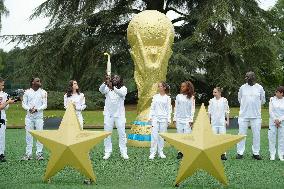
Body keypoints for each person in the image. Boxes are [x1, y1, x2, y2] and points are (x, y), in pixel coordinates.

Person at [236, 71, 265, 160]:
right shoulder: (242, 88)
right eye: (246, 77)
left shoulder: (259, 88)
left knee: (256, 134)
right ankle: (240, 153)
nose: (246, 79)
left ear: (253, 77)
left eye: (248, 77)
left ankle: (256, 153)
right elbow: (239, 99)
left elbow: (263, 100)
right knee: (241, 134)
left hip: (256, 116)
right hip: (243, 115)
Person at [99, 75, 129, 160]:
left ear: (120, 80)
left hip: (120, 115)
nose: (115, 79)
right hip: (108, 115)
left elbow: (121, 93)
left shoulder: (123, 88)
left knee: (122, 134)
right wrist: (105, 82)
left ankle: (123, 152)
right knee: (107, 133)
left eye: (117, 78)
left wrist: (113, 88)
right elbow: (100, 90)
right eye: (114, 78)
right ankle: (107, 151)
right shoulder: (107, 88)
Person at [21, 77, 47, 161]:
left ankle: (39, 154)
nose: (39, 82)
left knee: (39, 135)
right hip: (29, 117)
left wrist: (37, 109)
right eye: (37, 81)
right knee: (29, 135)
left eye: (40, 81)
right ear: (32, 82)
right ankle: (28, 154)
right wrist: (29, 109)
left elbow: (45, 105)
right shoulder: (27, 92)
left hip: (39, 117)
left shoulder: (43, 92)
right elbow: (24, 104)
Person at [149, 81, 172, 160]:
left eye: (160, 86)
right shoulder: (155, 97)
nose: (159, 88)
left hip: (164, 119)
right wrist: (150, 117)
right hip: (155, 118)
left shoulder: (167, 98)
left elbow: (169, 109)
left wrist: (168, 119)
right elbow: (152, 107)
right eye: (158, 86)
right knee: (154, 136)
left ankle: (160, 152)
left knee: (161, 136)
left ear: (164, 88)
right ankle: (152, 153)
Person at [173, 81, 195, 159]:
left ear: (187, 88)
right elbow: (176, 108)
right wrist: (174, 119)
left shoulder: (191, 97)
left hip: (187, 120)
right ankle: (180, 152)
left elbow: (192, 109)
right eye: (181, 86)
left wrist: (191, 120)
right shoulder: (178, 96)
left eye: (183, 86)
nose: (181, 88)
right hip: (179, 119)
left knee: (187, 136)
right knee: (180, 136)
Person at [208, 87, 230, 160]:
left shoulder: (224, 100)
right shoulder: (211, 101)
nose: (213, 93)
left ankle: (223, 154)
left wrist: (227, 120)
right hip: (214, 123)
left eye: (215, 92)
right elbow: (209, 112)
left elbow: (227, 111)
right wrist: (208, 121)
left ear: (219, 93)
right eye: (213, 92)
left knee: (222, 138)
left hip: (221, 123)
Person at [0, 77, 15, 162]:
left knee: (2, 136)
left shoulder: (4, 94)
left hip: (2, 117)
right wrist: (7, 102)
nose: (3, 85)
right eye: (1, 83)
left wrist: (9, 102)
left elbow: (5, 108)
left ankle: (1, 154)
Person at [268, 86, 284, 161]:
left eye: (277, 92)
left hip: (282, 122)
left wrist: (280, 120)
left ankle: (281, 155)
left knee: (282, 139)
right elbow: (270, 111)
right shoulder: (272, 99)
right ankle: (272, 155)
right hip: (272, 121)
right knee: (272, 138)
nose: (276, 93)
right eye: (276, 91)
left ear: (282, 93)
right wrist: (275, 120)